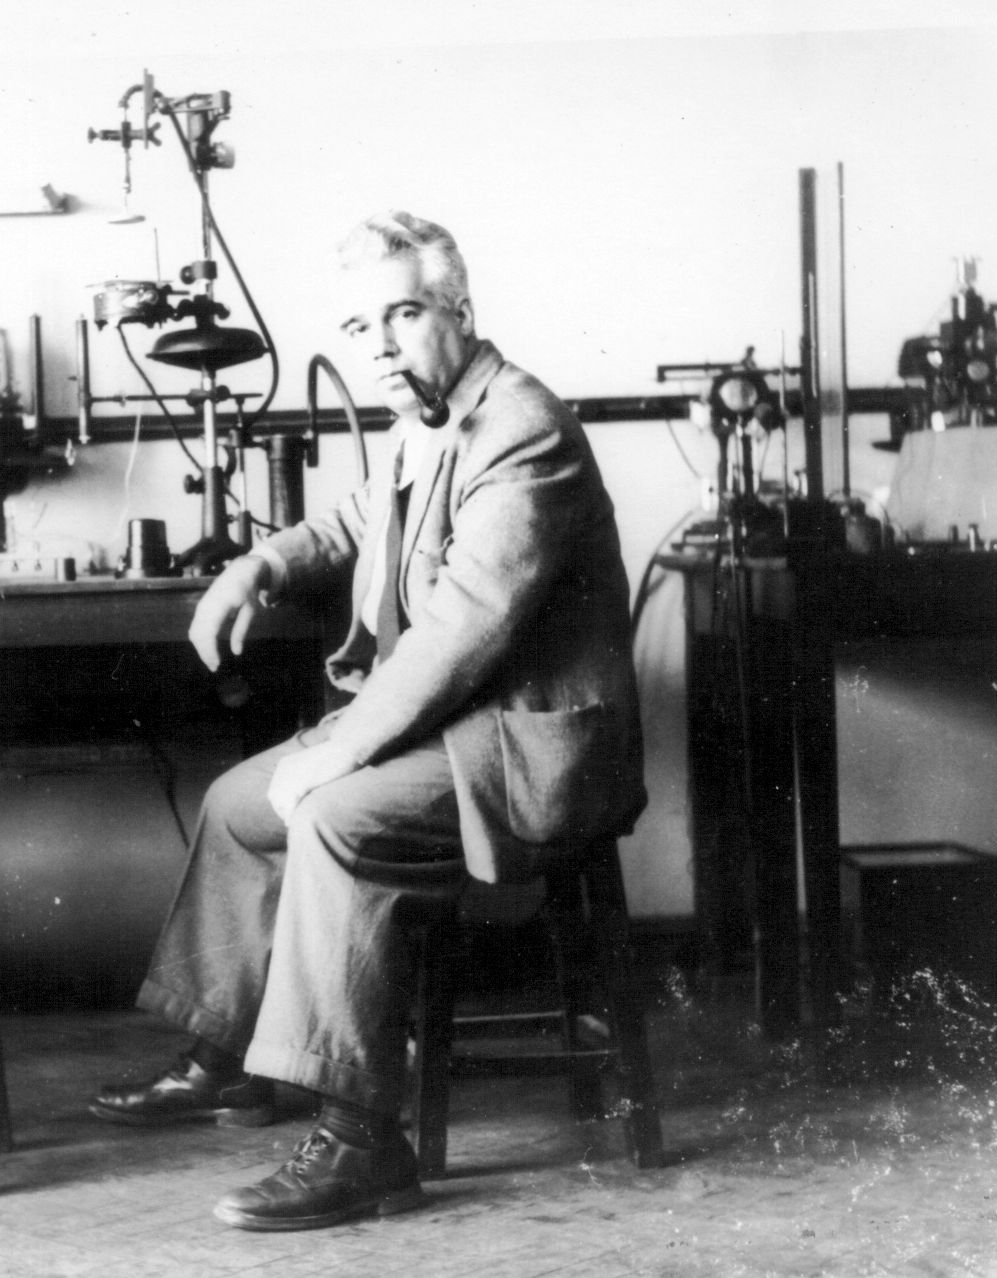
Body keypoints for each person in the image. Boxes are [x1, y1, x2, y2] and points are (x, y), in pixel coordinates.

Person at [89, 210, 647, 1232]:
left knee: (336, 817)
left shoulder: (522, 426)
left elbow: (464, 630)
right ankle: (230, 1057)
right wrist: (257, 565)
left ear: (459, 311)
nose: (380, 346)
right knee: (239, 803)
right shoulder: (426, 416)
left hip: (526, 747)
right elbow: (357, 518)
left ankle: (363, 1142)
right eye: (359, 328)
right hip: (454, 730)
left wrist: (342, 750)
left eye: (402, 315)